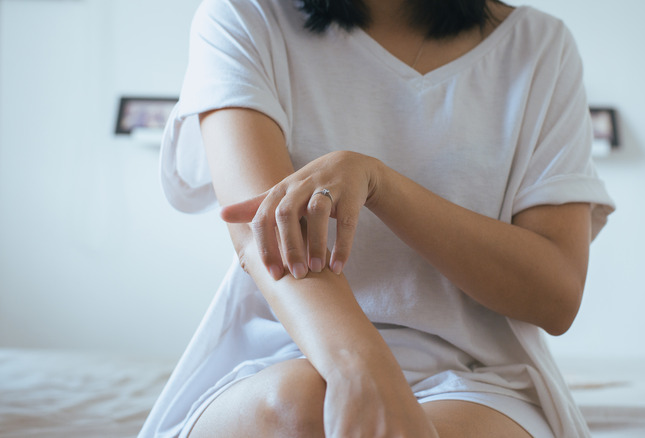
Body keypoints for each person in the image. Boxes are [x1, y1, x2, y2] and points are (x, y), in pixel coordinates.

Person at [139, 0, 615, 436]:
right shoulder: (244, 16)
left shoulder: (540, 47)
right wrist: (360, 368)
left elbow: (556, 295)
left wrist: (381, 185)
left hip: (477, 377)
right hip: (281, 354)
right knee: (297, 407)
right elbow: (262, 235)